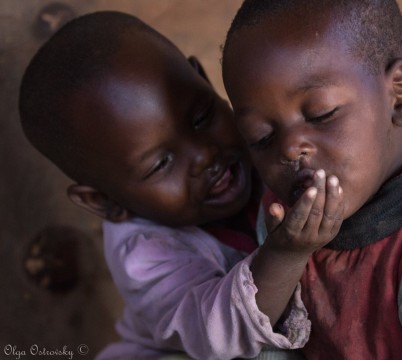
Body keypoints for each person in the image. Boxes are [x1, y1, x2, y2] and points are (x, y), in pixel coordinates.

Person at [18, 10, 345, 360]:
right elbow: (219, 335)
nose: (205, 155)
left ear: (201, 77)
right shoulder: (144, 253)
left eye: (201, 117)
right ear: (104, 201)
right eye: (161, 163)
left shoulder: (263, 132)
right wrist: (284, 255)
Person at [221, 0, 402, 359]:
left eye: (321, 114)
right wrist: (284, 257)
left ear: (400, 96)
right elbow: (259, 346)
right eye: (261, 137)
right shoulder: (282, 216)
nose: (289, 149)